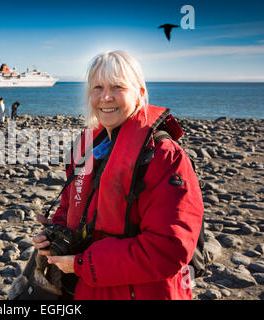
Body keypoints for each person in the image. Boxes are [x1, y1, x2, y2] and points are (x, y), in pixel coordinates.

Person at [33, 50, 204, 300]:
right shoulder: (90, 147)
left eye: (117, 87)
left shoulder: (164, 158)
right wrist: (55, 233)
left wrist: (82, 264)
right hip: (87, 287)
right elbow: (70, 204)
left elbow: (169, 249)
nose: (105, 97)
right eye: (98, 87)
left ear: (140, 93)